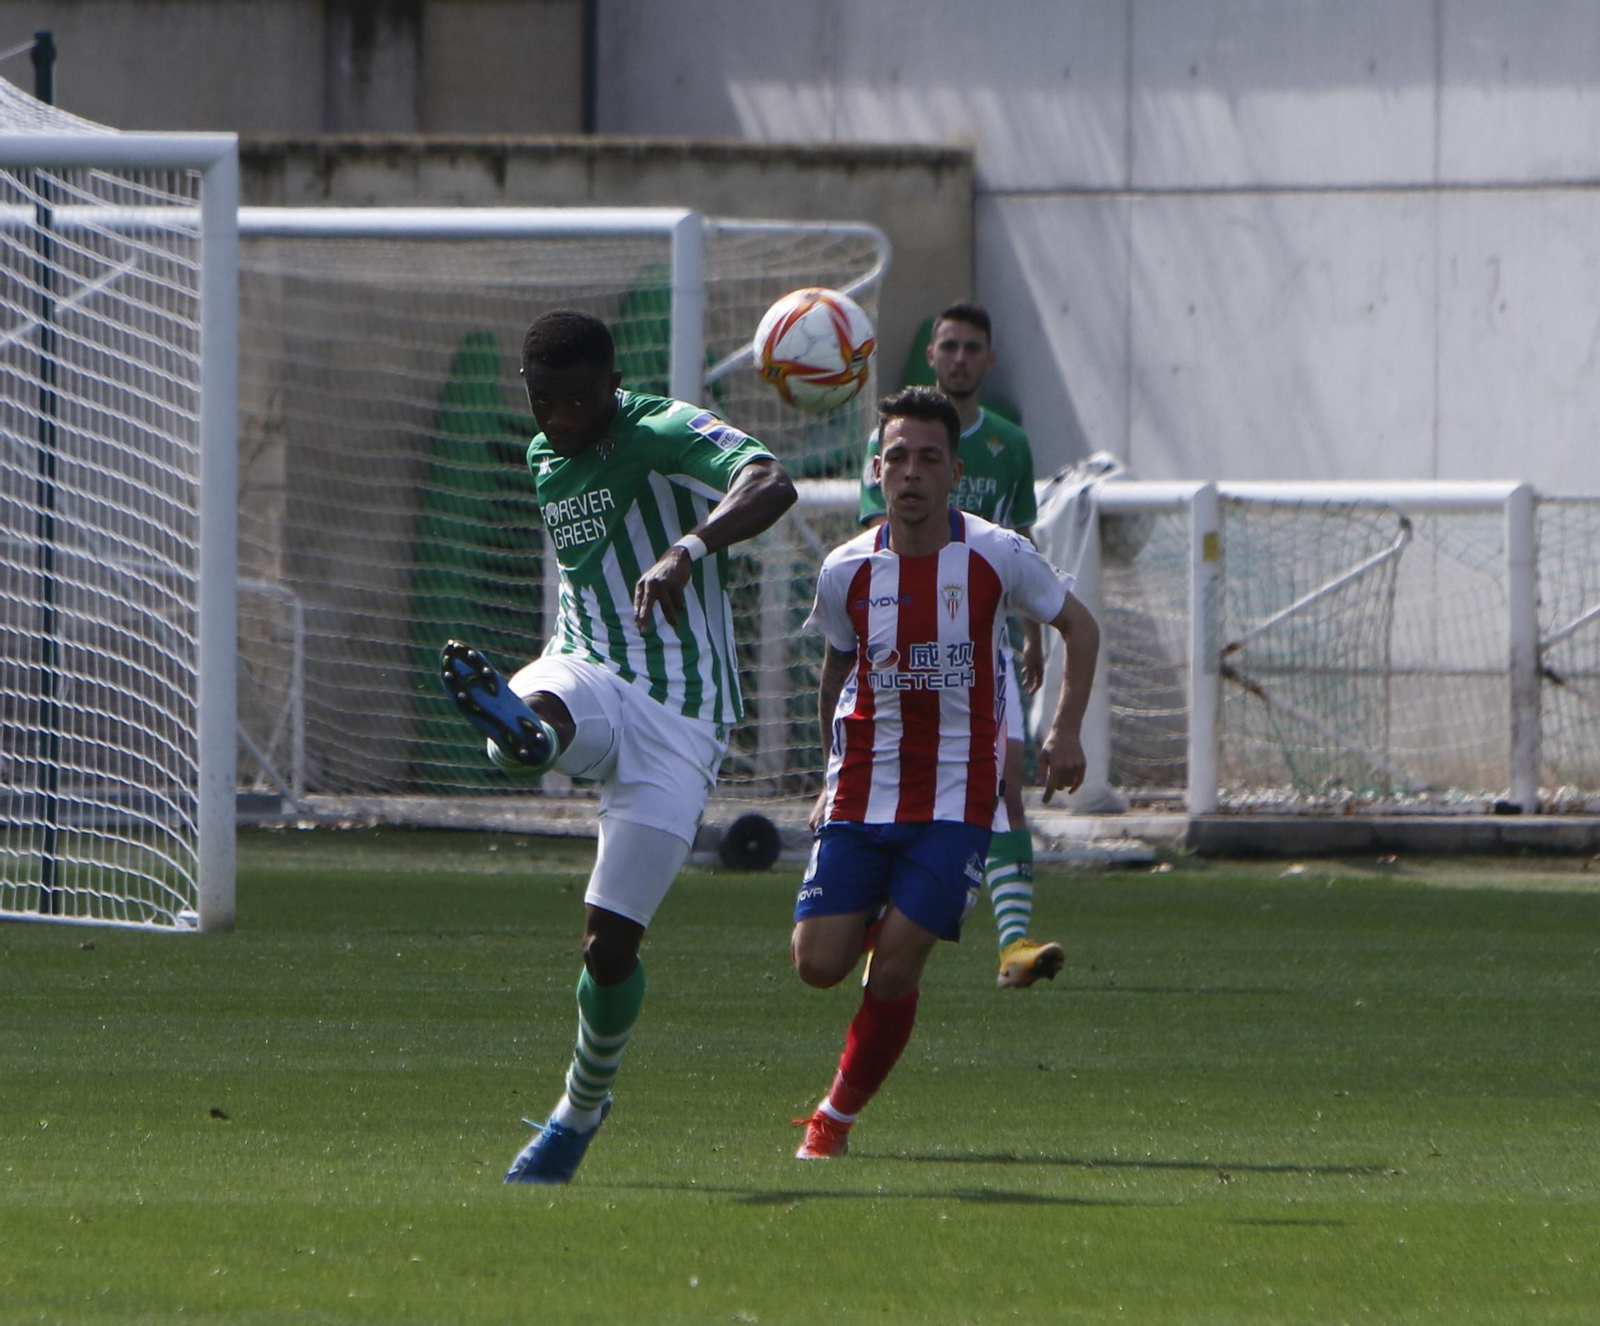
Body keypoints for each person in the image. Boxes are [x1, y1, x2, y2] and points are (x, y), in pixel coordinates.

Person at [442, 309, 796, 1185]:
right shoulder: (539, 455)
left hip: (684, 716)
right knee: (543, 713)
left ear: (612, 383)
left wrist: (687, 547)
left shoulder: (663, 428)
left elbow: (771, 479)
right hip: (590, 668)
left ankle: (581, 1110)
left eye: (577, 399)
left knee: (609, 946)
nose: (559, 418)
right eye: (543, 400)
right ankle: (522, 731)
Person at [791, 386, 1098, 1159]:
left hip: (958, 797)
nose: (912, 472)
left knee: (893, 968)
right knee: (818, 966)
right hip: (863, 785)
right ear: (878, 470)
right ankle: (888, 909)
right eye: (898, 457)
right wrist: (828, 772)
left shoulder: (996, 553)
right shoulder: (846, 570)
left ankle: (835, 1117)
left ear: (955, 472)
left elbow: (1081, 628)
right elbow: (836, 670)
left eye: (930, 458)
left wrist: (1063, 729)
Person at [858, 302, 1059, 988]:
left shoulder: (1009, 444)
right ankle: (881, 912)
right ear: (932, 355)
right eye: (949, 346)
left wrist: (1029, 637)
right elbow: (871, 545)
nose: (960, 358)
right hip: (899, 651)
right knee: (898, 782)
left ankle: (1014, 944)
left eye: (974, 347)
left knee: (1005, 781)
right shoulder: (890, 439)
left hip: (985, 650)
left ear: (989, 359)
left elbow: (1024, 546)